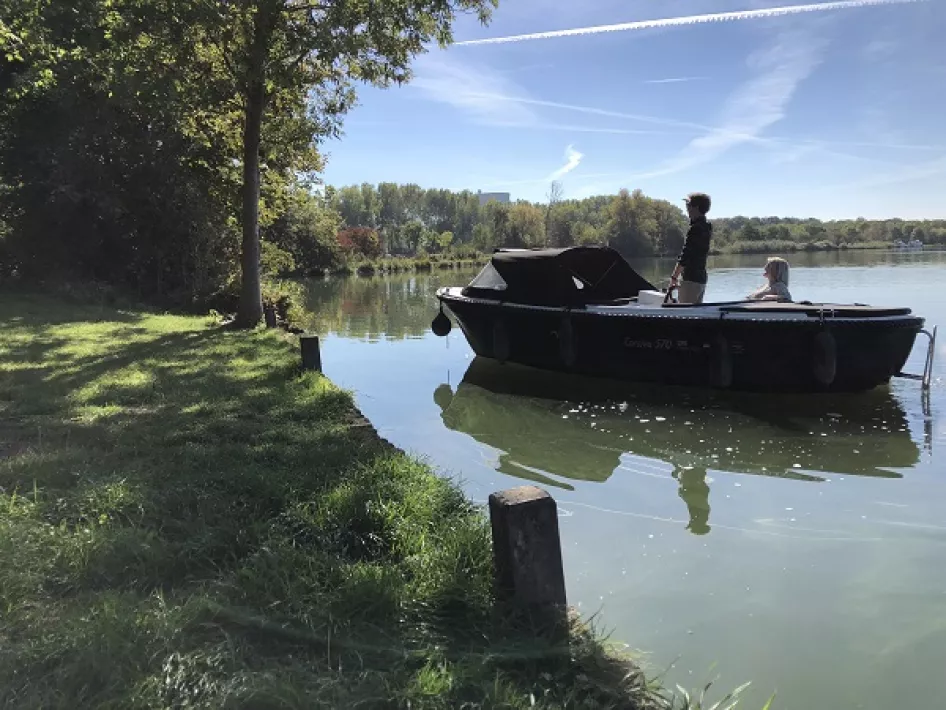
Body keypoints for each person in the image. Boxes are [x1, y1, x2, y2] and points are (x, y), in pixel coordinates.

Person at [670, 192, 712, 304]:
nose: (686, 209)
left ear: (696, 207)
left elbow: (685, 255)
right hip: (701, 278)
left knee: (685, 314)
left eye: (688, 206)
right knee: (695, 314)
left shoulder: (695, 228)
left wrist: (674, 278)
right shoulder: (707, 226)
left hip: (690, 279)